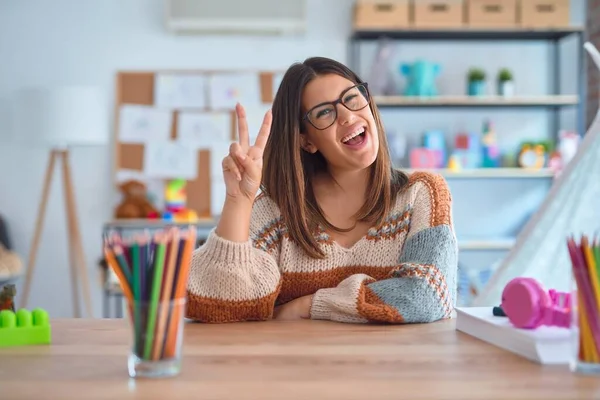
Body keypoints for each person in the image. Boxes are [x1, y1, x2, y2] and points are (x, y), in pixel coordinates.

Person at [185, 57, 458, 324]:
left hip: (394, 368)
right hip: (298, 368)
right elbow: (217, 305)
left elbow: (426, 295)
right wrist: (239, 200)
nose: (348, 116)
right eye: (325, 112)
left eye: (352, 97)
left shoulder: (422, 194)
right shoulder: (275, 212)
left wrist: (309, 305)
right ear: (306, 141)